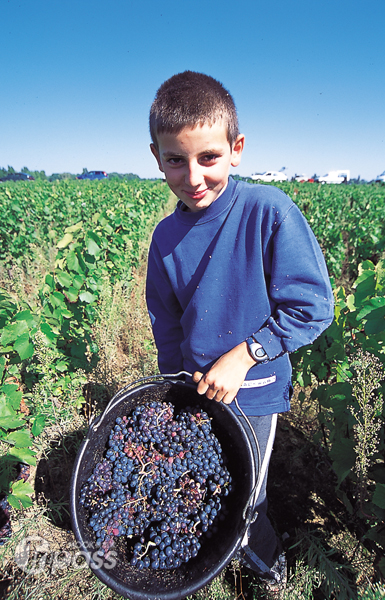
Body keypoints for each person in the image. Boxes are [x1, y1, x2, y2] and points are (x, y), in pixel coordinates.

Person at [145, 70, 334, 598]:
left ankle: (268, 571)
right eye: (176, 160)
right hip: (197, 391)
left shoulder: (266, 211)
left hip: (252, 392)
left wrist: (246, 354)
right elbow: (167, 322)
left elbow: (313, 307)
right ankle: (218, 555)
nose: (194, 176)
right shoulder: (166, 237)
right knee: (206, 484)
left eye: (208, 157)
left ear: (236, 149)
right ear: (157, 157)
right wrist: (174, 390)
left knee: (246, 496)